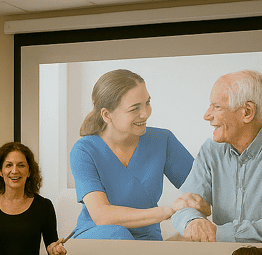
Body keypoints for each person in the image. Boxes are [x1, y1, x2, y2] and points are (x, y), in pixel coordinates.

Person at [170, 70, 262, 243]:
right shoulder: (211, 150)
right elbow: (183, 206)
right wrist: (194, 221)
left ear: (247, 112)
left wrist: (219, 233)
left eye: (217, 107)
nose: (207, 115)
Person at [70, 69, 194, 241]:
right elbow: (102, 215)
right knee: (118, 235)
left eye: (147, 103)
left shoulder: (162, 140)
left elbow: (203, 189)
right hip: (98, 235)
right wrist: (169, 210)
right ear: (107, 115)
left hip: (147, 239)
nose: (145, 113)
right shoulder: (84, 150)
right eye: (135, 108)